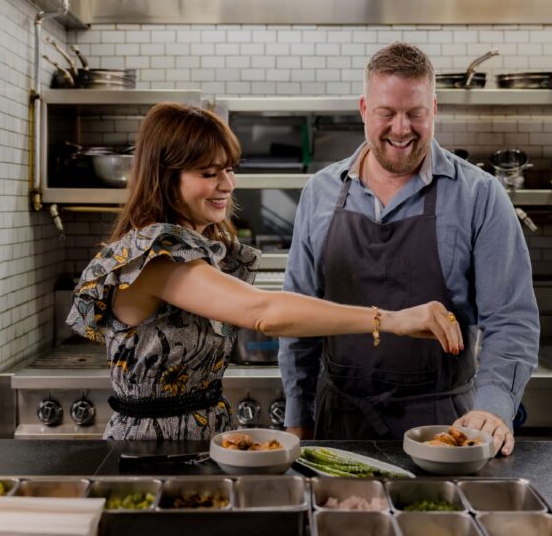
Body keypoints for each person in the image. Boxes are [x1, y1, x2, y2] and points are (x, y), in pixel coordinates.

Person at [66, 102, 464, 441]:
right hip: (148, 452)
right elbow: (265, 313)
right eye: (208, 174)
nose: (227, 185)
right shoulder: (155, 256)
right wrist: (391, 319)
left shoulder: (198, 248)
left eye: (229, 169)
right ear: (165, 178)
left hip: (201, 443)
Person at [278, 42, 540, 455]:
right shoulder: (321, 193)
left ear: (434, 109)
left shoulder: (480, 195)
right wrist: (298, 417)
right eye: (387, 113)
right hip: (340, 422)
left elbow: (511, 319)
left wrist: (492, 408)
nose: (401, 128)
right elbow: (299, 317)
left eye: (415, 113)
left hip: (443, 425)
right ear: (364, 109)